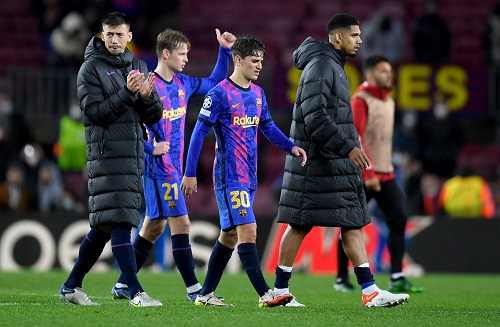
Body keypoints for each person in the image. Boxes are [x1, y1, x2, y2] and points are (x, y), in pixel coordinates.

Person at [272, 13, 409, 308]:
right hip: (318, 161)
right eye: (355, 36)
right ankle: (279, 290)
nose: (360, 41)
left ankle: (369, 290)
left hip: (331, 162)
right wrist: (349, 147)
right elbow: (315, 116)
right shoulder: (322, 65)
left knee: (352, 222)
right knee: (299, 223)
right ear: (337, 37)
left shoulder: (333, 65)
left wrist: (346, 149)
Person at [109, 27, 236, 302]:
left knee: (153, 227)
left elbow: (215, 79)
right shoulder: (146, 86)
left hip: (173, 169)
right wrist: (149, 148)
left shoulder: (183, 83)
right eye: (181, 54)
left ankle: (121, 285)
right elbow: (128, 127)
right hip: (159, 169)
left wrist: (224, 51)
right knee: (182, 224)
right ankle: (194, 290)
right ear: (165, 54)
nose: (186, 59)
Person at [180, 36, 307, 307]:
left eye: (261, 60)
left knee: (229, 236)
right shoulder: (219, 94)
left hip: (249, 177)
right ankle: (266, 294)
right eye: (254, 61)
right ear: (238, 60)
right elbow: (198, 135)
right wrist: (190, 173)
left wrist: (290, 147)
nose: (259, 66)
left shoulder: (258, 94)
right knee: (248, 231)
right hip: (229, 177)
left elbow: (268, 128)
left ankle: (204, 294)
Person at [58, 12, 164, 307]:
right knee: (120, 223)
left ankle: (70, 286)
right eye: (110, 34)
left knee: (103, 229)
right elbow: (96, 114)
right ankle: (136, 292)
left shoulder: (139, 65)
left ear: (129, 36)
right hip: (106, 157)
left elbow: (153, 116)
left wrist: (146, 97)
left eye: (120, 34)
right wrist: (129, 94)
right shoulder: (89, 69)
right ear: (102, 36)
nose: (115, 39)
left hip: (131, 158)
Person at [333, 55, 423, 294]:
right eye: (384, 72)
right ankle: (342, 278)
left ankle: (397, 276)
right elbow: (356, 137)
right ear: (370, 74)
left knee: (400, 219)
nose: (389, 76)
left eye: (390, 71)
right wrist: (367, 170)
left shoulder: (389, 101)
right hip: (363, 175)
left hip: (386, 174)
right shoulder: (361, 100)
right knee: (350, 225)